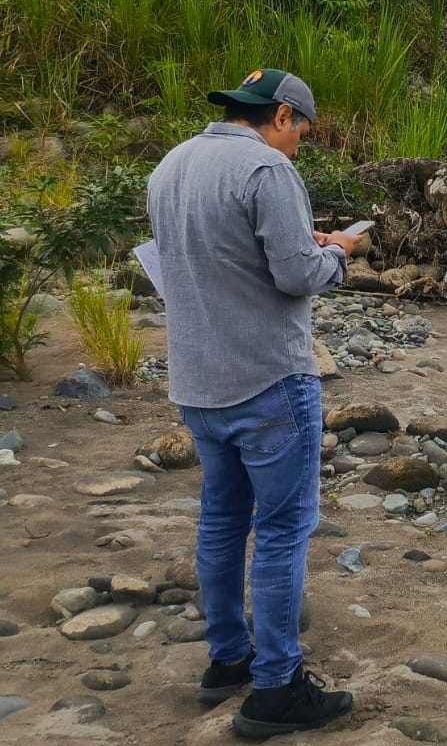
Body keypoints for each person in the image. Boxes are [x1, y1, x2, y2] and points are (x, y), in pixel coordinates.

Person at [146, 68, 362, 739]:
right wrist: (339, 252)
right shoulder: (268, 169)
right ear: (284, 115)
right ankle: (276, 688)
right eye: (303, 131)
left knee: (220, 520)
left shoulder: (172, 164)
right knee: (283, 529)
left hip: (199, 383)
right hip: (268, 379)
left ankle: (227, 659)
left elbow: (203, 257)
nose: (300, 144)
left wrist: (304, 243)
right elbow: (296, 277)